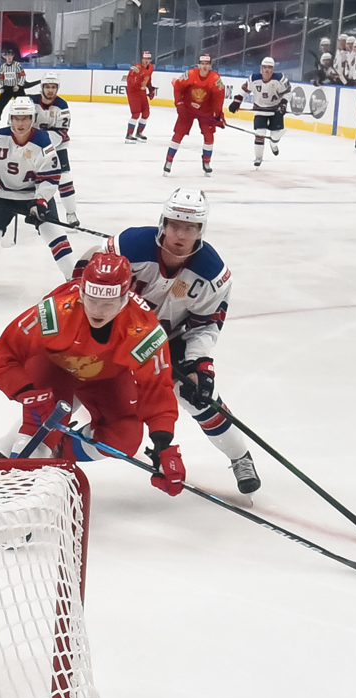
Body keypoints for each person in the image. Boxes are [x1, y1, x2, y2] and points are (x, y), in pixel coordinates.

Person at [70, 189, 259, 493]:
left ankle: (239, 456)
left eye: (189, 227)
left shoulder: (212, 275)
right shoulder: (130, 245)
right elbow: (88, 269)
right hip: (112, 334)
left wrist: (199, 364)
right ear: (163, 223)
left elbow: (205, 324)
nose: (179, 234)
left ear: (201, 230)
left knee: (198, 396)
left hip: (165, 342)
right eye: (174, 225)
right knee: (70, 384)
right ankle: (19, 450)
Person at [0, 251, 186, 493]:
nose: (98, 311)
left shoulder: (143, 329)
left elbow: (156, 388)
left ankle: (59, 451)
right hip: (53, 366)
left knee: (126, 438)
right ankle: (22, 481)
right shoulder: (55, 312)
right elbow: (2, 355)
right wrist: (26, 391)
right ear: (80, 292)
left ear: (125, 298)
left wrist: (163, 442)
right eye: (92, 300)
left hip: (106, 375)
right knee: (39, 428)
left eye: (108, 303)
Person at [0, 96, 75, 296]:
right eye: (17, 118)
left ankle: (74, 281)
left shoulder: (43, 142)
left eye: (25, 118)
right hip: (4, 195)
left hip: (35, 197)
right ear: (10, 119)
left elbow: (51, 178)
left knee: (56, 236)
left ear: (32, 118)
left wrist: (41, 202)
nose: (20, 123)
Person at [164, 52, 226, 177]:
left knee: (209, 136)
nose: (204, 67)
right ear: (198, 65)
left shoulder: (215, 79)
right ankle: (168, 161)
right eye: (202, 64)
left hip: (206, 111)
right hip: (187, 109)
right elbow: (177, 86)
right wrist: (179, 103)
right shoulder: (190, 75)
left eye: (207, 64)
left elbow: (219, 97)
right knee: (178, 134)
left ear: (210, 65)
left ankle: (206, 162)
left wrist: (218, 114)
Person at [31, 76, 78, 222]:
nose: (50, 90)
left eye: (53, 87)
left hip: (58, 147)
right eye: (47, 87)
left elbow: (61, 133)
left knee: (64, 179)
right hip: (32, 146)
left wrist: (39, 140)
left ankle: (71, 214)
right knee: (29, 179)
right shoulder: (30, 102)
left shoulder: (62, 105)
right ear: (42, 88)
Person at [230, 56, 290, 165]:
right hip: (260, 110)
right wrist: (236, 102)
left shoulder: (280, 79)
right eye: (265, 67)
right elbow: (243, 90)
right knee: (259, 134)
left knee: (275, 135)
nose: (267, 70)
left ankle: (274, 143)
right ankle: (258, 157)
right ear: (261, 68)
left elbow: (288, 92)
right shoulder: (254, 79)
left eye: (270, 67)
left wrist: (284, 103)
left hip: (276, 110)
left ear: (273, 69)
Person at [125, 50, 156, 142]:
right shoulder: (136, 68)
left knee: (146, 113)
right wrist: (137, 81)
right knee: (136, 113)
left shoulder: (150, 67)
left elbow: (148, 79)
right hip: (134, 92)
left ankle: (139, 133)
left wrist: (150, 88)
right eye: (145, 58)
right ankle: (129, 134)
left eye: (148, 59)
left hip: (142, 92)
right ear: (141, 59)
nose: (146, 61)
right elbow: (130, 81)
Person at [0, 49, 31, 121]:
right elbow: (1, 78)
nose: (9, 57)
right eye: (7, 56)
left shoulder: (17, 65)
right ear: (5, 57)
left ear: (13, 56)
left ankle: (28, 118)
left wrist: (19, 85)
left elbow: (22, 75)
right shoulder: (3, 66)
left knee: (25, 103)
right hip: (7, 89)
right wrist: (1, 87)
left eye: (10, 56)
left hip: (17, 88)